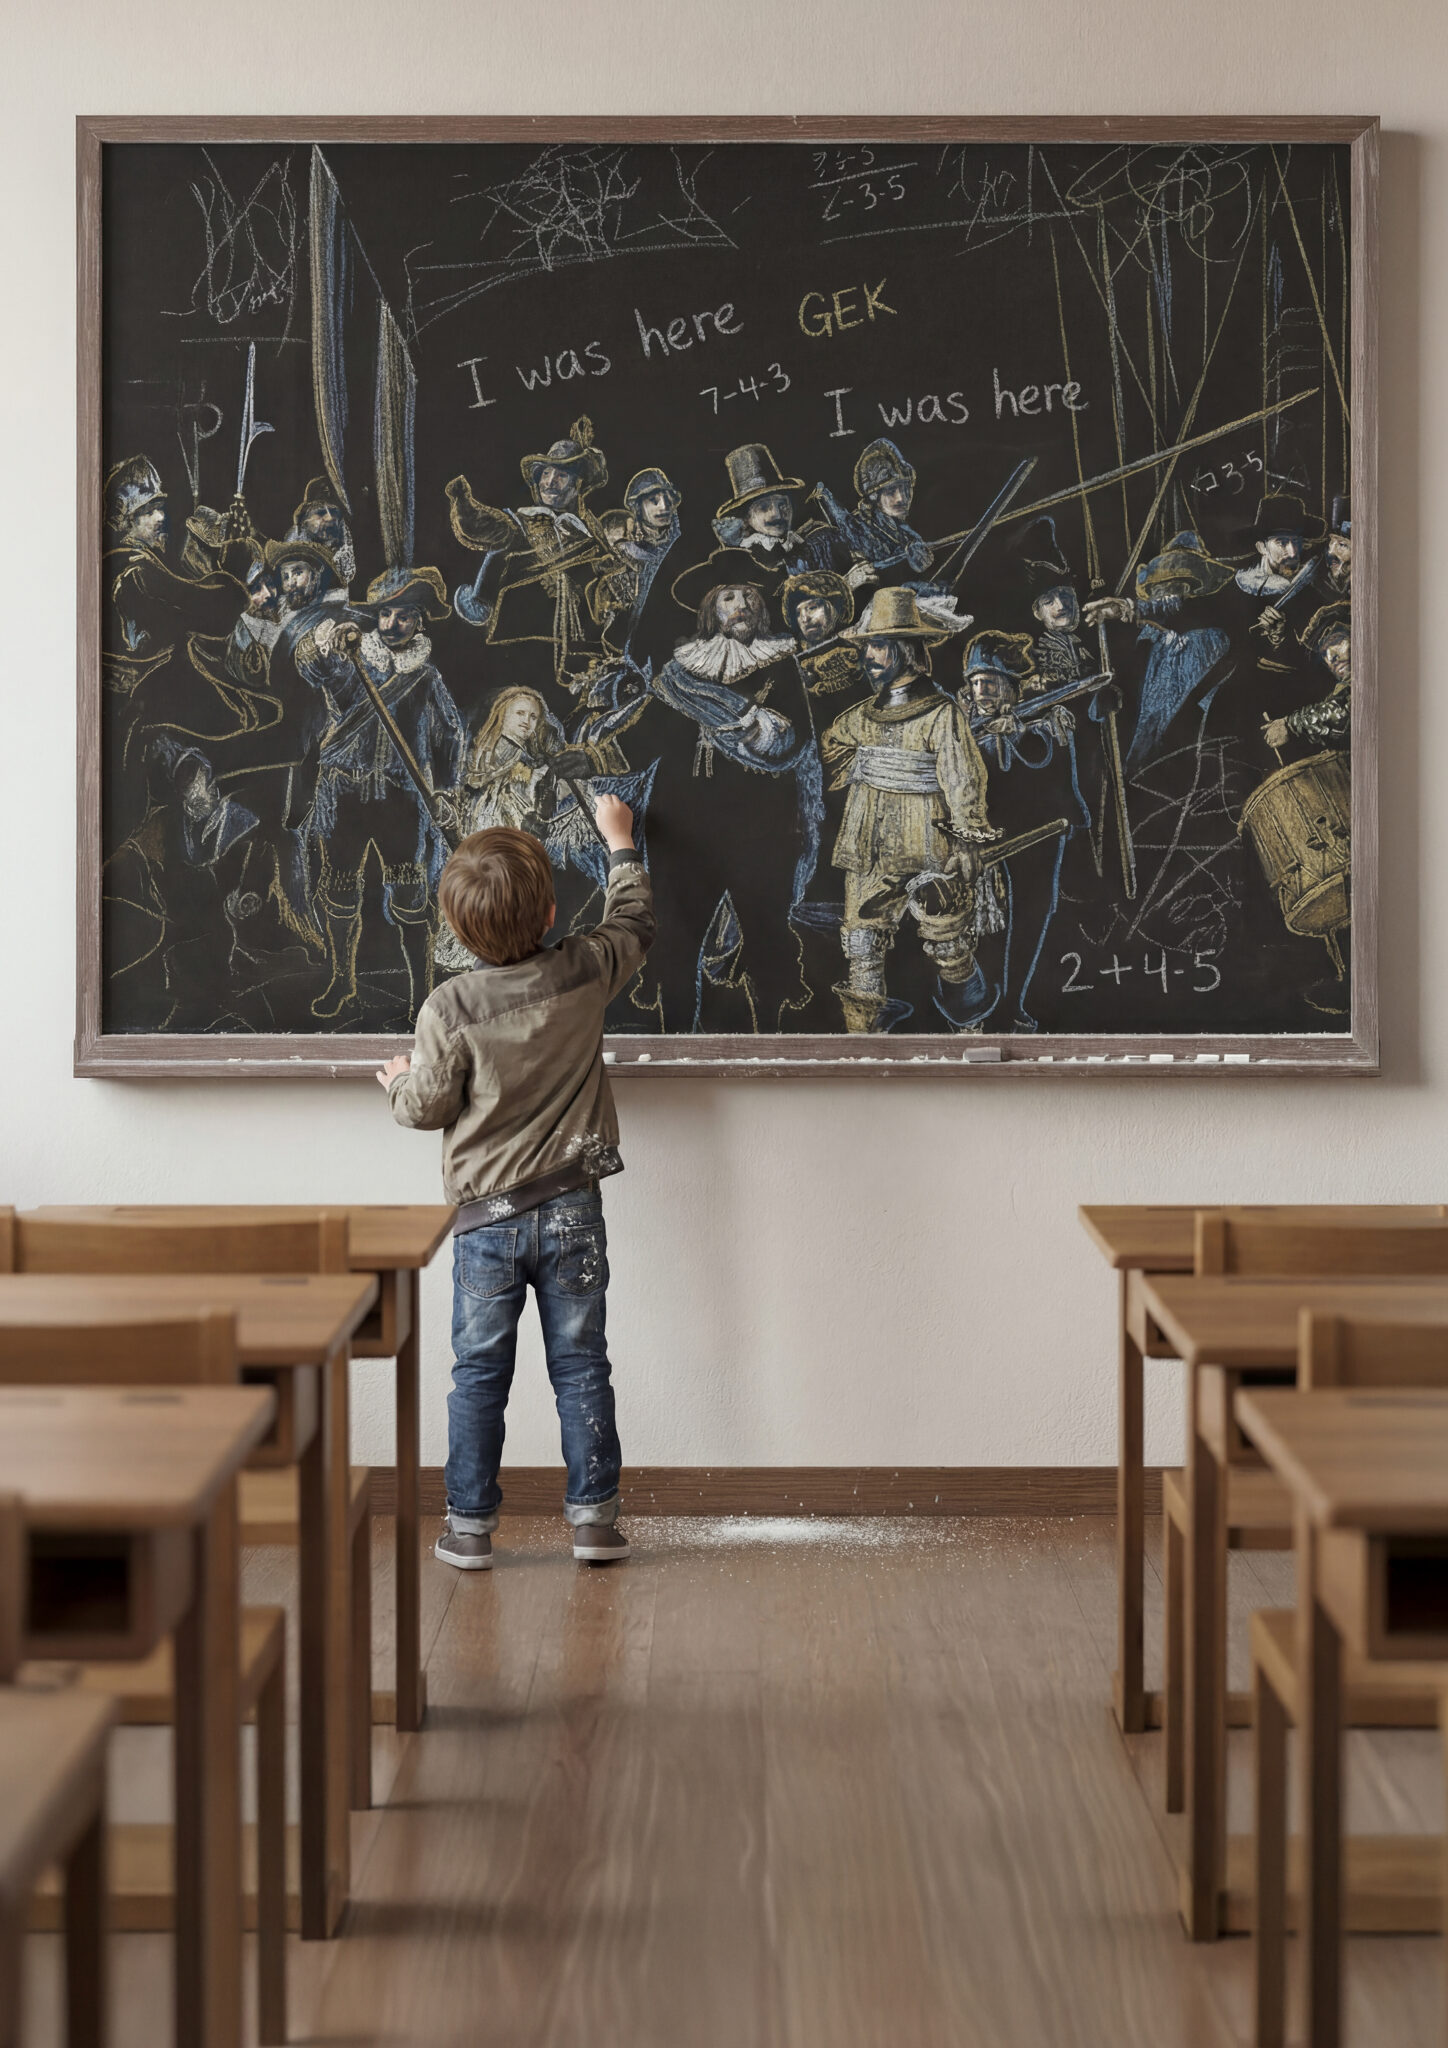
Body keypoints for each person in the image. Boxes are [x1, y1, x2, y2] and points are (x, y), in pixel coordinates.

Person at [378, 797, 655, 1566]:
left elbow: (427, 1109)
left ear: (457, 929)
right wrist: (620, 844)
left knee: (478, 1377)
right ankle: (594, 1521)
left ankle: (469, 1527)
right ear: (551, 910)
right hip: (573, 1207)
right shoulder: (583, 970)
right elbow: (633, 922)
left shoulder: (449, 1007)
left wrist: (397, 1081)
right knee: (581, 1366)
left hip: (486, 1225)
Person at [821, 586, 996, 1032]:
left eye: (879, 646)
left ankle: (969, 1023)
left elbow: (963, 781)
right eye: (867, 646)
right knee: (861, 945)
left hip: (930, 841)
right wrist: (862, 762)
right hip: (866, 846)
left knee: (948, 941)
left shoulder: (942, 714)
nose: (869, 656)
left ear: (907, 650)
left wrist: (968, 839)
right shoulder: (857, 717)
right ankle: (864, 1044)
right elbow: (832, 752)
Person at [297, 566, 466, 1023]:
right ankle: (341, 981)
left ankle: (422, 995)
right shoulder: (352, 660)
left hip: (400, 797)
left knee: (411, 897)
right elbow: (311, 665)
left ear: (420, 623)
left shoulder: (426, 677)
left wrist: (448, 788)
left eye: (404, 616)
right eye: (386, 614)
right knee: (339, 891)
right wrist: (325, 641)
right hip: (343, 794)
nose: (392, 624)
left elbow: (450, 735)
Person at [959, 632, 1092, 1031]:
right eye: (976, 683)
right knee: (979, 926)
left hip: (1037, 838)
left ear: (1010, 687)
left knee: (1031, 918)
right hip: (983, 841)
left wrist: (1015, 730)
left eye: (990, 683)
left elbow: (1041, 760)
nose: (981, 691)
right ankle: (977, 1007)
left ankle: (1011, 1005)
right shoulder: (961, 726)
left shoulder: (1044, 720)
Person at [445, 416, 622, 697]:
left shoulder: (590, 533)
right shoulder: (519, 524)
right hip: (526, 652)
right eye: (545, 475)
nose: (550, 483)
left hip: (584, 653)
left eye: (561, 476)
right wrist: (463, 501)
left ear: (578, 484)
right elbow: (480, 524)